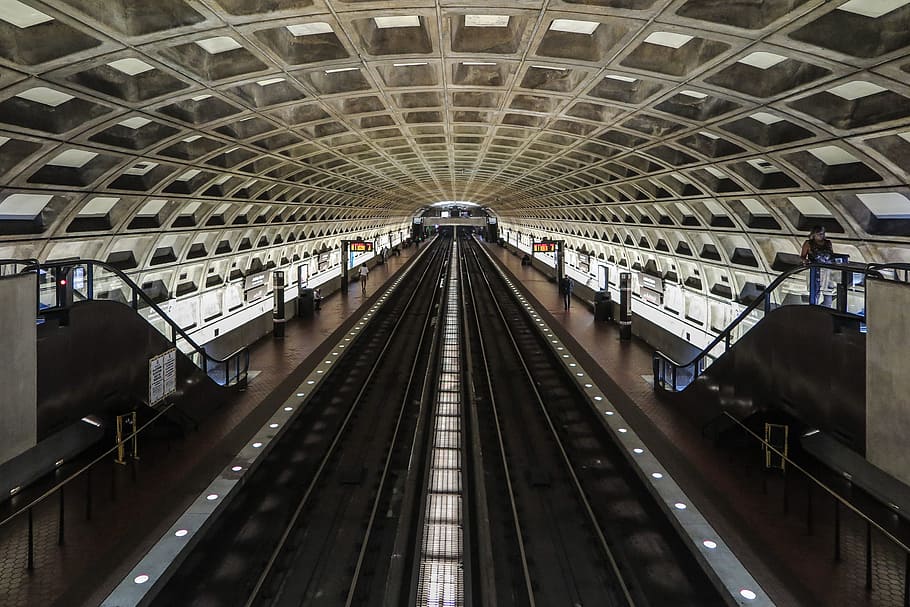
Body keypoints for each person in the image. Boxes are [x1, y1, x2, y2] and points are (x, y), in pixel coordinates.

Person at [800, 225, 835, 306]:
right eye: (819, 234)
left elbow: (832, 255)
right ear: (814, 234)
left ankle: (826, 307)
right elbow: (802, 256)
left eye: (823, 233)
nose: (821, 235)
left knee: (828, 292)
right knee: (815, 291)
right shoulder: (808, 243)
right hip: (814, 270)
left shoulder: (828, 243)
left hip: (827, 270)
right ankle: (814, 306)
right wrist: (805, 261)